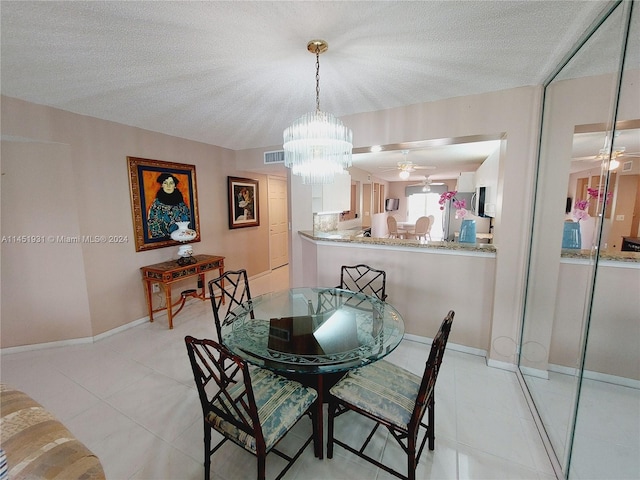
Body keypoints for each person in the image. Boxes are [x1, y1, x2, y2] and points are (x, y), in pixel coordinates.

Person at [147, 173, 191, 238]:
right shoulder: (156, 204)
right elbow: (152, 223)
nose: (168, 186)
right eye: (165, 183)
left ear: (175, 186)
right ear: (162, 185)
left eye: (171, 183)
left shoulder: (181, 204)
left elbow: (188, 220)